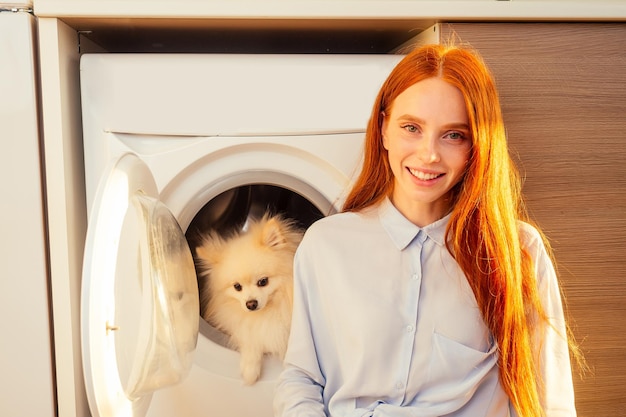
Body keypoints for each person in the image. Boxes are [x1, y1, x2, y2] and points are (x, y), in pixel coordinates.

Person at [273, 44, 578, 417]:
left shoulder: (518, 252)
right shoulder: (326, 245)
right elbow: (302, 377)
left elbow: (549, 400)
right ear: (383, 128)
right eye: (411, 128)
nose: (429, 154)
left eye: (453, 135)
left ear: (476, 147)